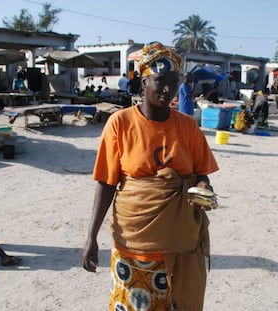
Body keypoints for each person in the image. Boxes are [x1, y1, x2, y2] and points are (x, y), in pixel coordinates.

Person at [82, 41, 219, 310]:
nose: (168, 90)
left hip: (183, 241)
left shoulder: (188, 127)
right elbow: (106, 184)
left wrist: (202, 189)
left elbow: (202, 174)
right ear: (144, 81)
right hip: (135, 243)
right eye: (160, 81)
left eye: (174, 81)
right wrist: (91, 237)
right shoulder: (120, 123)